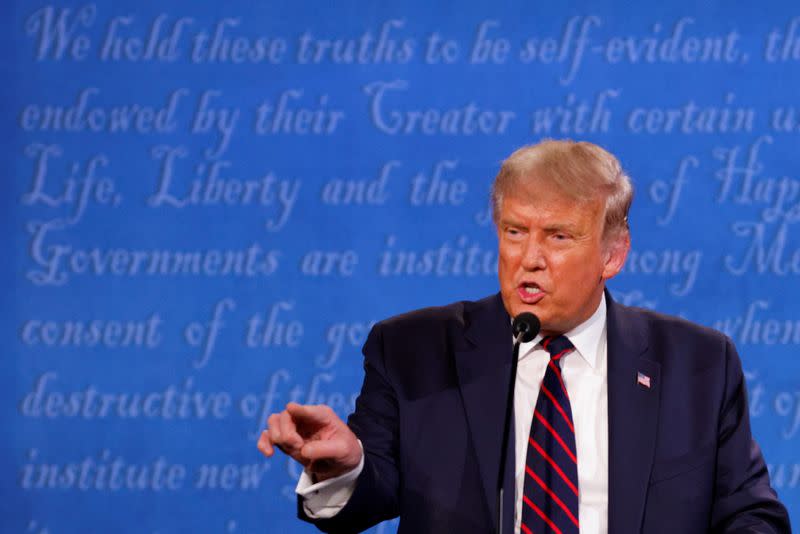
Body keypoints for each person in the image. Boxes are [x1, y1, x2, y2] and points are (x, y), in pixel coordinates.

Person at [257, 140, 791, 533]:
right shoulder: (413, 351)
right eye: (515, 232)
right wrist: (346, 466)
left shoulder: (696, 363)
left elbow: (751, 514)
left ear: (613, 253)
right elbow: (368, 496)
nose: (528, 259)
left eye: (558, 236)